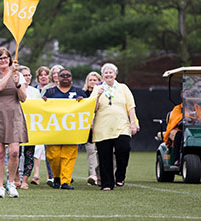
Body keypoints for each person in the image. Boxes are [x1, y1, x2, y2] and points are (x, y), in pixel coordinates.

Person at [0, 47, 28, 198]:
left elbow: (23, 98)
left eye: (6, 58)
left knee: (15, 152)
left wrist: (18, 84)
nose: (4, 60)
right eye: (1, 58)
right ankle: (0, 186)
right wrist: (10, 73)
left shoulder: (19, 76)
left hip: (14, 114)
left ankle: (11, 183)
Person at [91, 63, 139, 191]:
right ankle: (107, 184)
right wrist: (97, 96)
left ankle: (120, 176)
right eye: (105, 73)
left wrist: (133, 122)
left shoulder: (123, 88)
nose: (108, 74)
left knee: (123, 149)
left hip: (121, 125)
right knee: (104, 156)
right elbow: (92, 109)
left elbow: (131, 106)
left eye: (110, 72)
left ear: (115, 74)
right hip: (102, 127)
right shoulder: (97, 89)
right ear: (102, 76)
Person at [43, 68, 86, 190]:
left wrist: (82, 102)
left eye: (68, 75)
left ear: (71, 77)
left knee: (67, 156)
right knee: (54, 156)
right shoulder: (50, 92)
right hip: (54, 130)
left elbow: (88, 108)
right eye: (63, 75)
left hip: (71, 131)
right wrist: (44, 102)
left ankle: (65, 181)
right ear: (58, 77)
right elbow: (42, 109)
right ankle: (56, 177)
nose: (66, 77)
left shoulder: (79, 92)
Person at [16, 65, 41, 190]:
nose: (27, 77)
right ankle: (15, 179)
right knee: (15, 153)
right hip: (16, 126)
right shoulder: (14, 89)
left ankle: (25, 180)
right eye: (24, 75)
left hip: (31, 127)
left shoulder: (35, 92)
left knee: (29, 154)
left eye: (28, 75)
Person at [83, 71, 103, 186]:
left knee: (100, 151)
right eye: (90, 80)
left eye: (95, 80)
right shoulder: (83, 93)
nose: (92, 82)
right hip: (87, 126)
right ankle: (92, 175)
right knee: (91, 151)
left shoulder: (104, 93)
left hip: (99, 124)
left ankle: (98, 174)